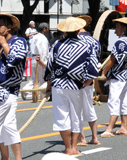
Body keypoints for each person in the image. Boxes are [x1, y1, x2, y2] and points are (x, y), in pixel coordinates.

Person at [44, 17, 97, 156]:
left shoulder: (57, 44)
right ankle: (74, 147)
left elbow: (50, 66)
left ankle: (67, 148)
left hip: (59, 85)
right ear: (78, 30)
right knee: (76, 116)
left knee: (62, 116)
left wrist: (48, 84)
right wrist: (86, 82)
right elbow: (92, 68)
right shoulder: (86, 45)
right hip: (76, 85)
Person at [0, 13, 28, 160]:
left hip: (10, 90)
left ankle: (18, 158)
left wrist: (4, 44)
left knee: (9, 125)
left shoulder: (19, 41)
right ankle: (5, 157)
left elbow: (15, 60)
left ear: (9, 27)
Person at [101, 17, 127, 137]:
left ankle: (110, 128)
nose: (115, 30)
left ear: (124, 28)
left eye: (117, 27)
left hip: (117, 75)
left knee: (114, 101)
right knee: (123, 101)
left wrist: (104, 72)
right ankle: (123, 127)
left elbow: (112, 59)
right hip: (125, 74)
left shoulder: (120, 42)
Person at [75, 16, 101, 146]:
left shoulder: (75, 40)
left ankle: (82, 138)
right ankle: (94, 137)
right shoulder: (95, 41)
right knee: (89, 107)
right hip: (90, 78)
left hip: (77, 79)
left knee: (77, 110)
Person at [29, 22, 50, 99]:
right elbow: (43, 51)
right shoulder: (43, 38)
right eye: (47, 28)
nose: (48, 29)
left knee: (34, 79)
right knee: (42, 79)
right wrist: (43, 62)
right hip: (39, 59)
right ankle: (43, 96)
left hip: (34, 58)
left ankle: (27, 91)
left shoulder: (34, 36)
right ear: (44, 29)